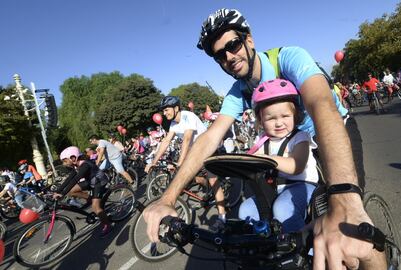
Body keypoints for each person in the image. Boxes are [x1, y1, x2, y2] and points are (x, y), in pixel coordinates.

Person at [143, 8, 384, 269]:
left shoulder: (288, 58)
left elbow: (322, 106)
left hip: (332, 130)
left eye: (232, 45)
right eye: (219, 55)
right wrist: (167, 199)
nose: (229, 57)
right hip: (293, 145)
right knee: (270, 227)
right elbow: (211, 136)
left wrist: (345, 197)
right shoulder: (239, 91)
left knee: (353, 231)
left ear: (249, 40)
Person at [239, 79, 318, 232]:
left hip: (302, 186)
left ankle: (302, 249)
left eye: (285, 116)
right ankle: (264, 246)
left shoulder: (300, 137)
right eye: (271, 118)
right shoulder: (261, 141)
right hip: (274, 189)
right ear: (261, 120)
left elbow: (297, 165)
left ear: (295, 115)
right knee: (245, 210)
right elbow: (253, 160)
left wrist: (270, 159)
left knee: (282, 208)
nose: (279, 123)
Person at [144, 96, 227, 227]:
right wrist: (154, 161)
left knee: (213, 181)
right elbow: (166, 141)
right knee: (189, 178)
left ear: (176, 108)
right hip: (196, 153)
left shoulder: (187, 116)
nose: (165, 114)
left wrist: (181, 162)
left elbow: (187, 139)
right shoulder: (173, 124)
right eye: (163, 112)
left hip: (208, 149)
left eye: (167, 110)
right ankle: (206, 187)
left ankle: (222, 216)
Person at [53, 146, 113, 237]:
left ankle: (107, 224)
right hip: (90, 181)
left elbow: (75, 179)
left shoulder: (85, 165)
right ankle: (90, 199)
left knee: (96, 208)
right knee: (71, 191)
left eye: (65, 161)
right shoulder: (76, 165)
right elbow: (70, 178)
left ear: (73, 158)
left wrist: (62, 194)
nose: (64, 164)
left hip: (98, 182)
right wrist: (58, 191)